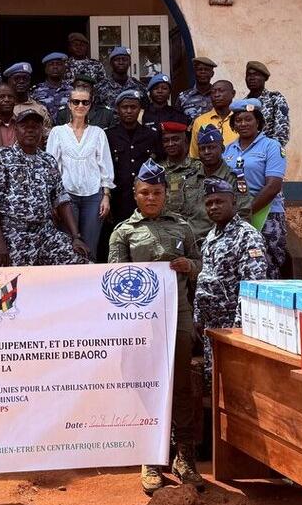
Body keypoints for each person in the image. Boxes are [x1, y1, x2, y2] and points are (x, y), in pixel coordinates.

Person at [107, 159, 204, 495]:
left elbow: (199, 263)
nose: (151, 198)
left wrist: (188, 265)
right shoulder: (124, 232)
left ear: (166, 194)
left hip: (178, 314)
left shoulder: (183, 227)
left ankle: (185, 458)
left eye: (157, 192)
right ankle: (150, 457)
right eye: (145, 192)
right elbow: (115, 280)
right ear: (135, 194)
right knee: (148, 384)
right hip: (141, 321)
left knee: (181, 384)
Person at [0, 109, 90, 266]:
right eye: (25, 126)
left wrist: (75, 236)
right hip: (14, 234)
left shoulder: (48, 160)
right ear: (15, 129)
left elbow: (61, 200)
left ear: (42, 130)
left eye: (35, 126)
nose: (30, 130)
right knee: (19, 278)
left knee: (79, 261)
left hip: (45, 232)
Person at [196, 176, 268, 386]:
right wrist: (198, 316)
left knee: (235, 383)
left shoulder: (247, 236)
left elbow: (253, 285)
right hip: (212, 326)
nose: (213, 207)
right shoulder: (210, 237)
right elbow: (204, 278)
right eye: (209, 203)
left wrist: (239, 326)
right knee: (214, 382)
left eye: (219, 201)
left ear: (233, 202)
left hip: (233, 325)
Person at [46, 84, 115, 258]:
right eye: (76, 102)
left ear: (90, 105)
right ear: (69, 104)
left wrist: (106, 196)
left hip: (94, 196)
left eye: (85, 102)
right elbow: (51, 168)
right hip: (66, 196)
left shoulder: (98, 133)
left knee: (90, 246)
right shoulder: (57, 132)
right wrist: (53, 199)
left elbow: (105, 166)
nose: (80, 106)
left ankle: (90, 276)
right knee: (68, 247)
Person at [223, 98, 288, 278]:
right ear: (233, 124)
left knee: (267, 266)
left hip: (266, 214)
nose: (243, 123)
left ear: (258, 121)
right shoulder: (228, 150)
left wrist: (246, 211)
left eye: (248, 119)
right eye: (238, 120)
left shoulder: (272, 146)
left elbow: (273, 186)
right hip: (236, 215)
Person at [106, 89, 162, 226]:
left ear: (140, 109)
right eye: (125, 107)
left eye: (133, 107)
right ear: (118, 110)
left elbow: (159, 164)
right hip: (118, 200)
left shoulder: (151, 135)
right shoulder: (108, 136)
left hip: (146, 199)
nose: (129, 111)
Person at [0, 62, 52, 131]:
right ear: (9, 82)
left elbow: (46, 134)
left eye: (25, 78)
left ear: (30, 81)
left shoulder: (40, 109)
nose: (21, 81)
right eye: (16, 78)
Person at [244, 60, 290, 147]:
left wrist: (269, 150)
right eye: (249, 75)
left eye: (256, 74)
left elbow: (282, 132)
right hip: (246, 151)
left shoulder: (275, 98)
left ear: (265, 78)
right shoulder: (243, 103)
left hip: (269, 150)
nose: (252, 78)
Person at [188, 79, 239, 158]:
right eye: (213, 92)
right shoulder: (200, 121)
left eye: (221, 91)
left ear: (233, 93)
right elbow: (194, 155)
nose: (216, 95)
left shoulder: (240, 119)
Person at [52, 71, 117, 129]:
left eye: (85, 86)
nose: (81, 89)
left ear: (93, 91)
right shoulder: (64, 113)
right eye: (78, 86)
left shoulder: (105, 114)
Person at [32, 52, 73, 119]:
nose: (55, 67)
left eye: (59, 64)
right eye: (51, 64)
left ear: (64, 68)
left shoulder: (72, 90)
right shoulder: (35, 91)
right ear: (45, 69)